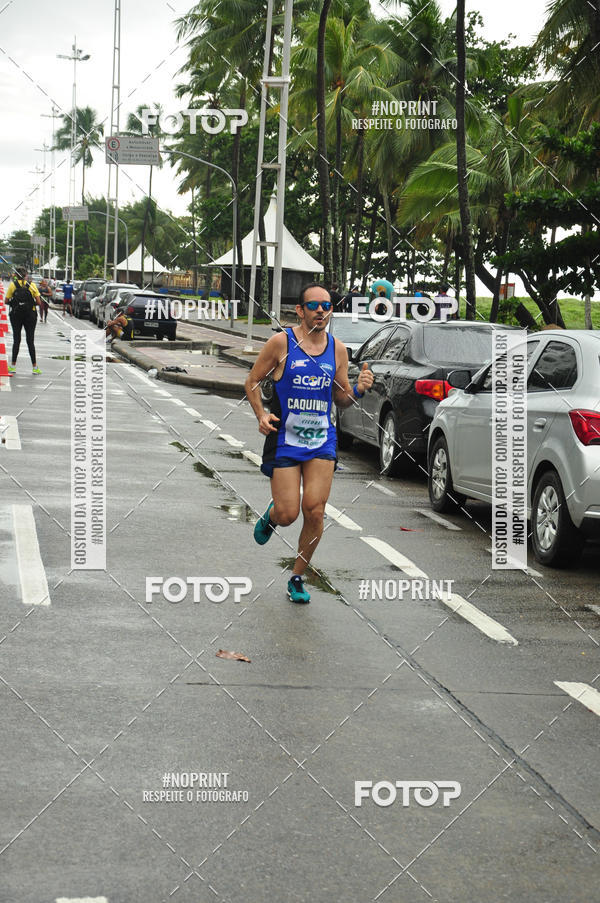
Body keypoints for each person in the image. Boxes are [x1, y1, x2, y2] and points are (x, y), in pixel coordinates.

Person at [244, 283, 374, 604]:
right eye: (314, 305)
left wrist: (357, 390)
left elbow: (340, 398)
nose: (321, 310)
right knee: (289, 513)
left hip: (322, 441)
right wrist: (261, 415)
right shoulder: (280, 343)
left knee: (315, 511)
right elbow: (251, 382)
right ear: (300, 311)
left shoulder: (338, 350)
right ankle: (274, 515)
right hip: (285, 440)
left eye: (327, 306)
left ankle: (298, 577)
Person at [5, 266, 42, 374]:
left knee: (16, 339)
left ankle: (13, 366)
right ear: (26, 275)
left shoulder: (13, 285)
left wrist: (16, 303)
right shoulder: (32, 285)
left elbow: (6, 301)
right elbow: (39, 302)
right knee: (30, 341)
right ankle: (35, 367)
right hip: (30, 315)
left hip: (16, 315)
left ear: (16, 275)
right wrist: (30, 304)